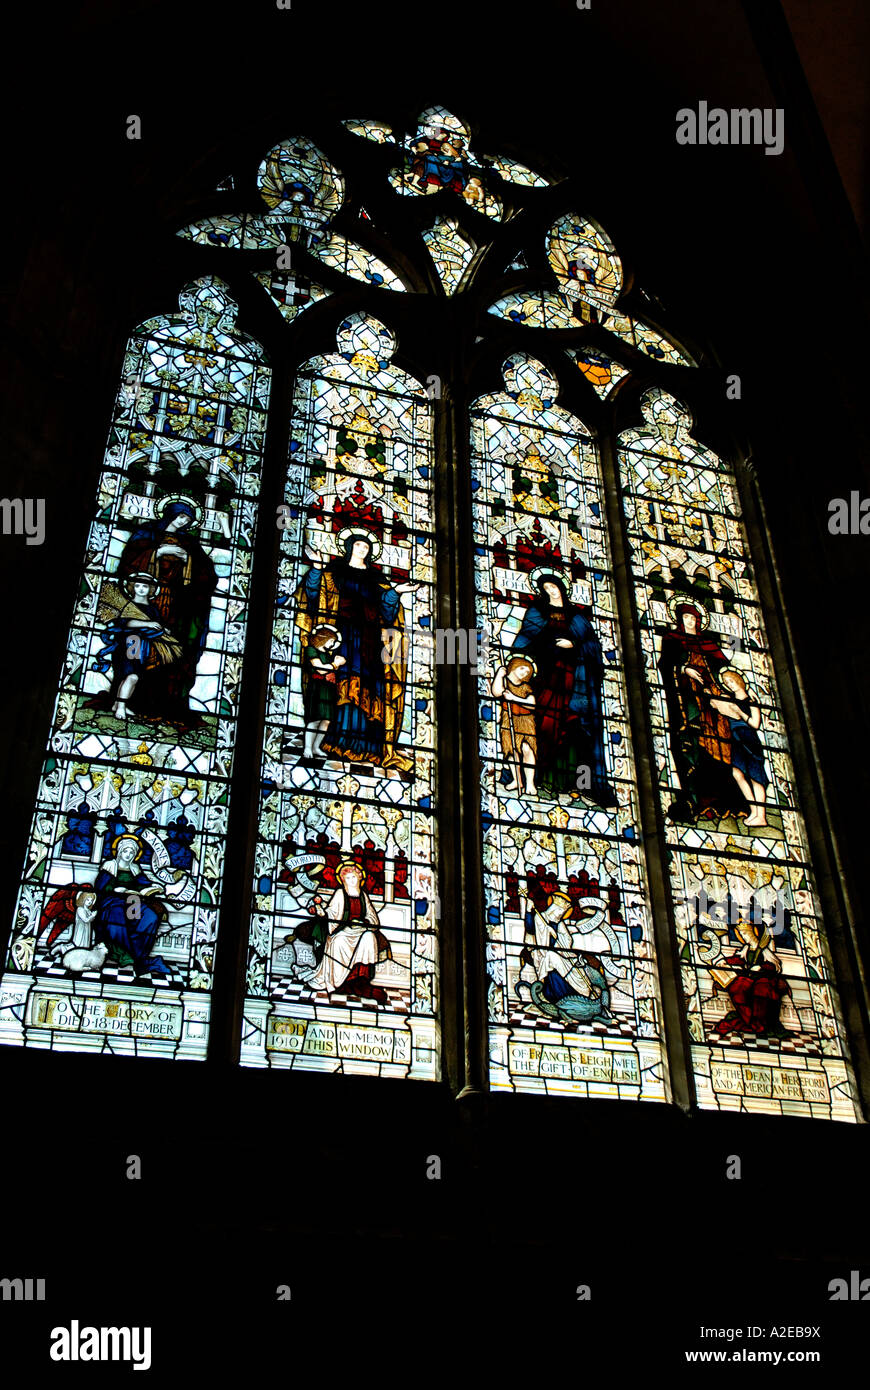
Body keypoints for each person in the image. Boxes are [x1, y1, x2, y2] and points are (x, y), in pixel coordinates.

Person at [296, 531, 417, 771]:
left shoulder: (375, 577)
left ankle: (367, 745)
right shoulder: (335, 572)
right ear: (350, 546)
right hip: (340, 635)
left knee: (370, 685)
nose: (363, 549)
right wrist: (317, 568)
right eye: (359, 544)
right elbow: (313, 594)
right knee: (338, 683)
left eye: (366, 546)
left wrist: (397, 592)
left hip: (370, 640)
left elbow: (387, 607)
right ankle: (331, 739)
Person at [98, 498, 217, 727]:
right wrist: (158, 552)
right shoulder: (147, 534)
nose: (183, 522)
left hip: (177, 607)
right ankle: (128, 701)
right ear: (170, 515)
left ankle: (166, 704)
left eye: (188, 520)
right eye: (181, 517)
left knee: (172, 653)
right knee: (138, 655)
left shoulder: (190, 544)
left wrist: (187, 559)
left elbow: (208, 577)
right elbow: (128, 565)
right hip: (145, 603)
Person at [511, 572, 615, 804]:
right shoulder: (537, 612)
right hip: (547, 679)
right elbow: (525, 639)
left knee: (576, 728)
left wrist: (574, 644)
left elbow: (592, 647)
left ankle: (581, 784)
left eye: (553, 587)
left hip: (576, 680)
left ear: (562, 588)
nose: (551, 591)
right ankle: (543, 781)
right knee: (545, 727)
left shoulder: (578, 617)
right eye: (546, 588)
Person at [657, 601, 736, 820]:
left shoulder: (709, 643)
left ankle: (725, 800)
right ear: (680, 620)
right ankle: (698, 800)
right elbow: (665, 665)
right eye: (686, 618)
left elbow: (725, 668)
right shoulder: (671, 640)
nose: (690, 621)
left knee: (722, 744)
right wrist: (684, 669)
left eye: (693, 618)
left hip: (713, 701)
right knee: (693, 743)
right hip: (687, 701)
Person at [93, 573, 183, 721]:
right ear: (132, 587)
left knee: (133, 677)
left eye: (145, 586)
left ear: (151, 589)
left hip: (143, 647)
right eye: (137, 585)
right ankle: (121, 707)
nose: (141, 589)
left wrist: (163, 631)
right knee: (131, 676)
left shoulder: (152, 610)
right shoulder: (128, 606)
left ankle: (118, 704)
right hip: (130, 644)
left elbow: (155, 626)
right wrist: (147, 624)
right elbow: (126, 623)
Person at [303, 861, 392, 1003]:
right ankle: (340, 982)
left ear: (359, 878)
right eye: (348, 878)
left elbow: (372, 916)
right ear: (343, 880)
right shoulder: (340, 893)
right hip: (342, 931)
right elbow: (332, 913)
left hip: (360, 930)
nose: (351, 881)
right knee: (339, 941)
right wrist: (320, 910)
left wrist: (366, 922)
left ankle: (361, 979)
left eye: (354, 877)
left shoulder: (363, 895)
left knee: (369, 937)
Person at [92, 833, 180, 977]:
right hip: (112, 902)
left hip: (132, 901)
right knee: (118, 916)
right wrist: (115, 890)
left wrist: (154, 887)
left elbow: (143, 885)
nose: (128, 855)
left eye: (131, 852)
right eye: (125, 851)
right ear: (119, 851)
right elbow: (100, 888)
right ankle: (128, 955)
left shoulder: (135, 868)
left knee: (150, 916)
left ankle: (139, 953)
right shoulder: (109, 866)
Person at [709, 669, 769, 827]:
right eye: (727, 683)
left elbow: (755, 724)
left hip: (748, 739)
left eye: (732, 681)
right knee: (737, 773)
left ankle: (761, 816)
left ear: (740, 681)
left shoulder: (750, 699)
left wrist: (740, 712)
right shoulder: (730, 699)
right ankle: (754, 811)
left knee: (755, 777)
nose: (730, 685)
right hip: (734, 739)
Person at [710, 918, 791, 1037]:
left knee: (761, 989)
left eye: (745, 933)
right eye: (741, 934)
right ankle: (749, 1021)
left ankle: (760, 1023)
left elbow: (774, 965)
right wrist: (724, 961)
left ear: (753, 933)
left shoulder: (763, 949)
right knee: (737, 987)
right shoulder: (746, 949)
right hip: (750, 978)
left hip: (764, 979)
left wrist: (761, 967)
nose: (743, 937)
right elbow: (739, 959)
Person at [492, 655, 537, 795]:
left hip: (525, 721)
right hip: (508, 719)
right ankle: (517, 780)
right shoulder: (504, 682)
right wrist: (499, 675)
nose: (524, 672)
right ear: (513, 666)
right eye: (522, 668)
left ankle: (530, 783)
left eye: (527, 671)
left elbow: (532, 704)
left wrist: (513, 698)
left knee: (527, 749)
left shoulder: (525, 687)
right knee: (511, 751)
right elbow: (496, 692)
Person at [301, 623, 346, 761]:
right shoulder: (311, 650)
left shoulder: (328, 655)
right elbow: (320, 669)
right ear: (323, 638)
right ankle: (307, 747)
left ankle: (316, 747)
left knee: (326, 721)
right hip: (317, 687)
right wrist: (335, 664)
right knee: (315, 719)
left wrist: (333, 666)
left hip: (328, 689)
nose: (332, 645)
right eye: (331, 641)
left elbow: (329, 670)